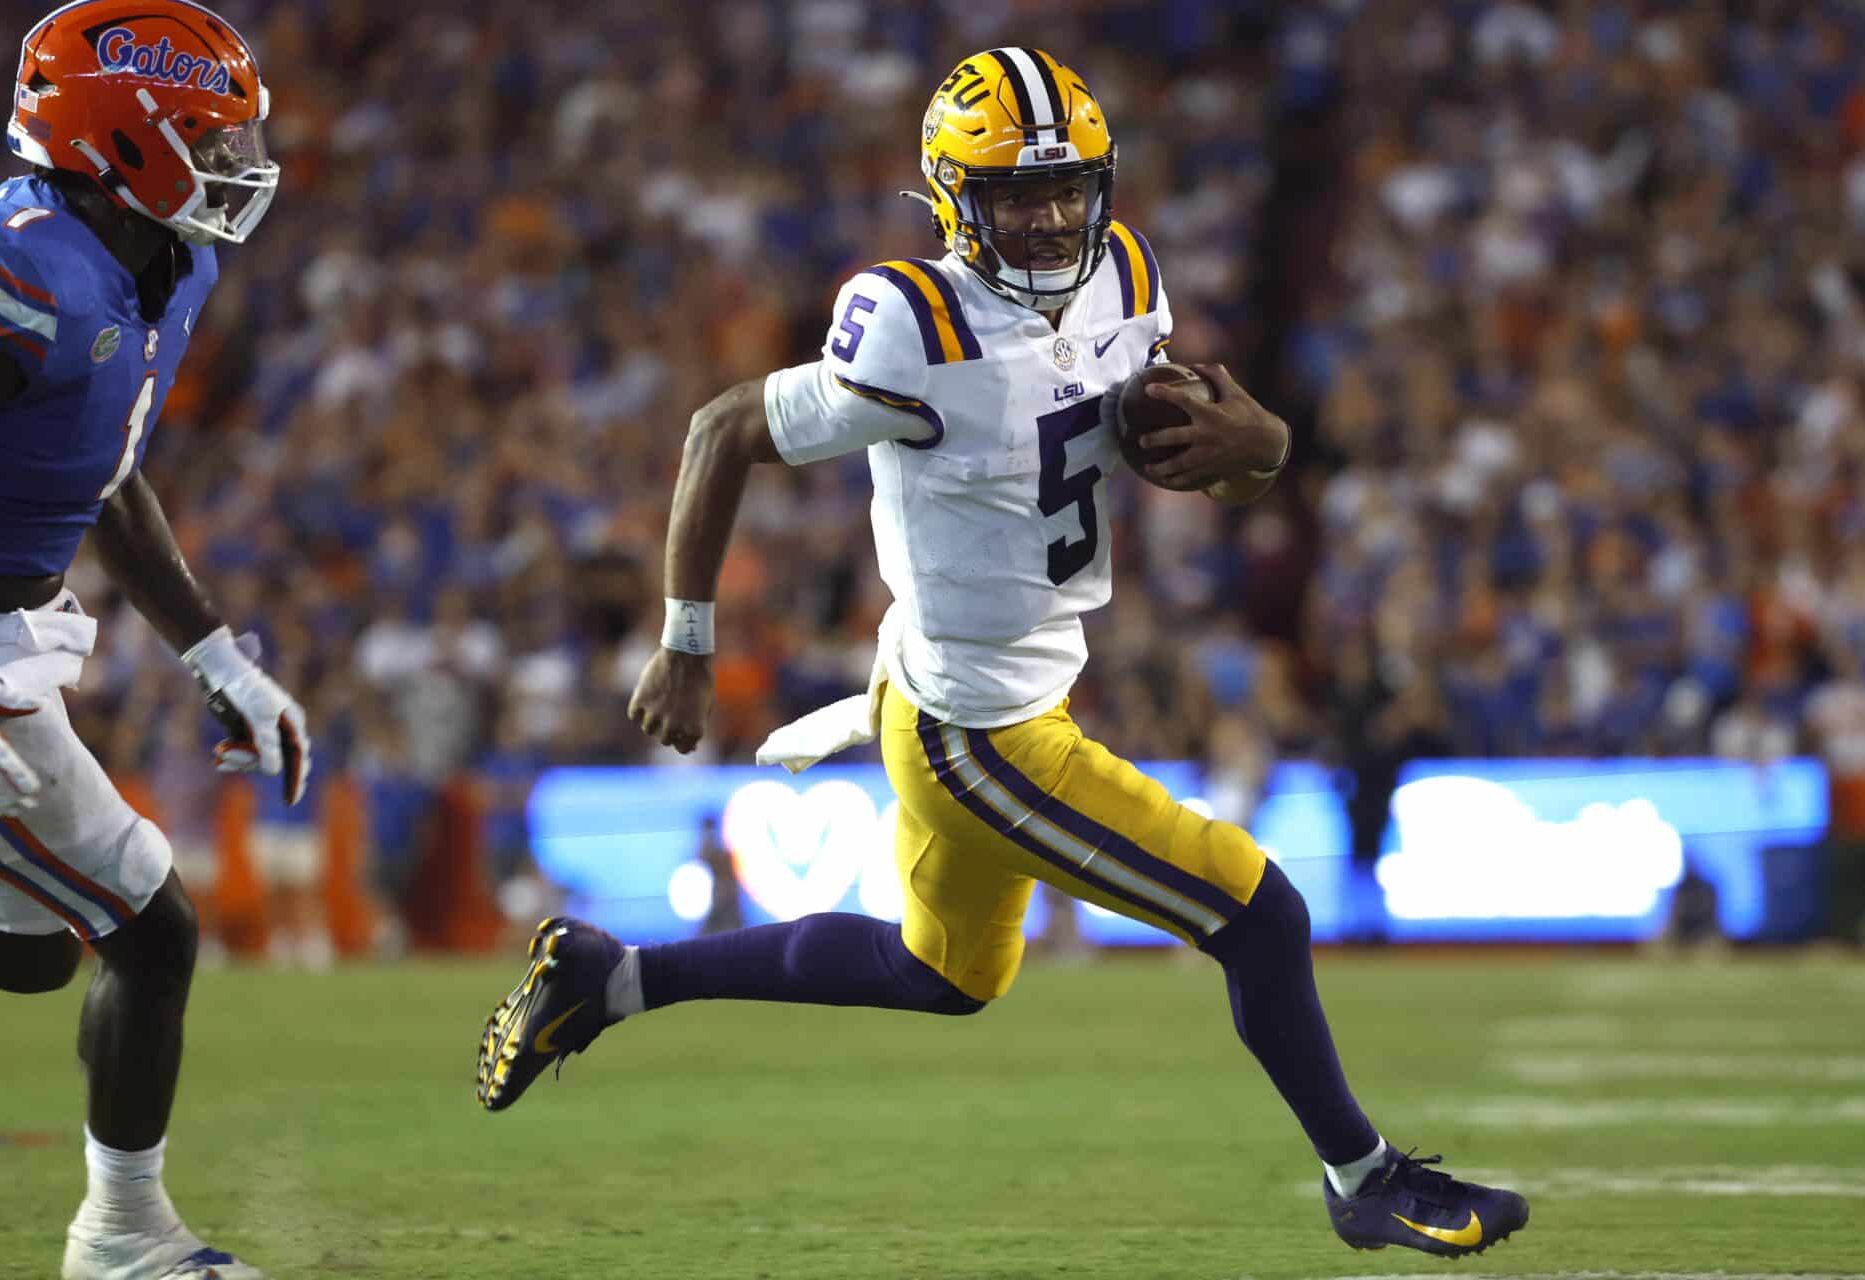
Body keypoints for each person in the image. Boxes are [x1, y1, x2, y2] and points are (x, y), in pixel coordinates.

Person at [477, 48, 1527, 1259]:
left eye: (1067, 187)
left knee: (948, 974)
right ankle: (1364, 1176)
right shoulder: (912, 326)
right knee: (1258, 910)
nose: (1046, 216)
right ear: (950, 199)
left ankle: (611, 979)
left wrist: (1268, 447)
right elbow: (719, 430)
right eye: (1014, 194)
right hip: (977, 727)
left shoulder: (1123, 276)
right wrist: (684, 644)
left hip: (981, 687)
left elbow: (1189, 461)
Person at [0, 5, 301, 1277]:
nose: (241, 155)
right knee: (150, 926)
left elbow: (104, 473)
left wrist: (216, 653)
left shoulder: (166, 261)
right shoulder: (18, 268)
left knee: (38, 956)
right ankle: (124, 1240)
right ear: (123, 134)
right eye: (213, 133)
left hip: (1, 637)